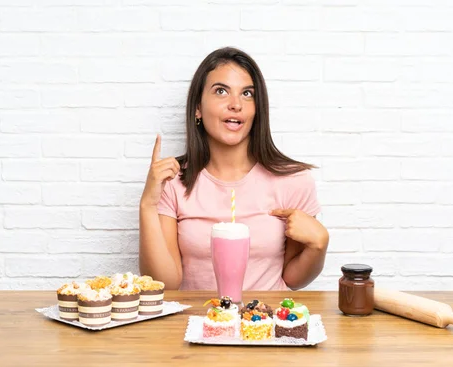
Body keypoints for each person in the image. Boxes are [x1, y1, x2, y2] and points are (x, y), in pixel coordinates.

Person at [138, 47, 329, 291]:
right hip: (198, 325)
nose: (236, 104)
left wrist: (319, 245)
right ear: (198, 107)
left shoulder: (294, 180)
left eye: (247, 94)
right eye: (221, 91)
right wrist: (148, 205)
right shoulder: (172, 181)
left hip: (264, 325)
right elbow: (165, 284)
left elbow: (293, 279)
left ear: (257, 108)